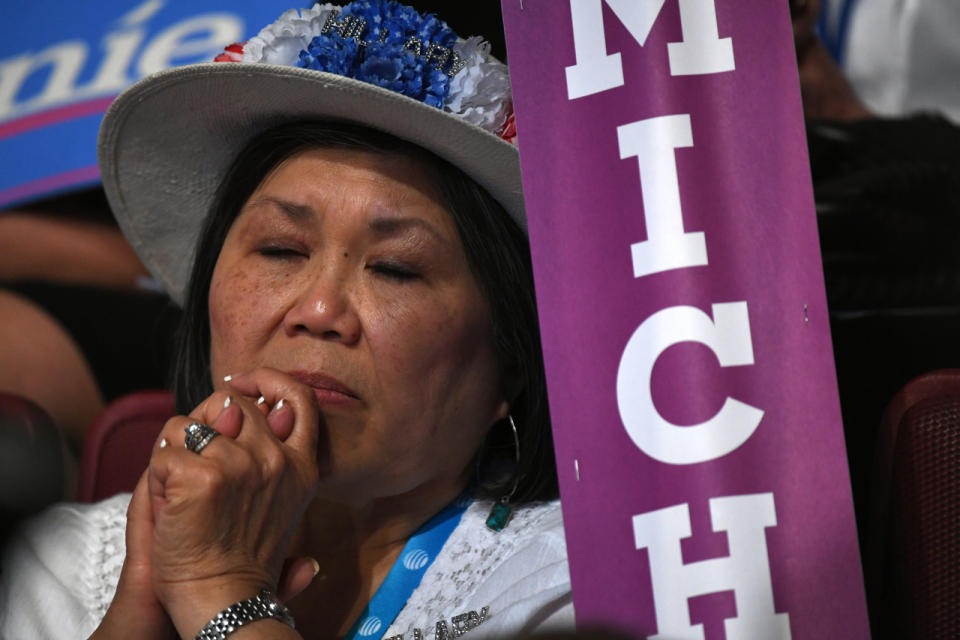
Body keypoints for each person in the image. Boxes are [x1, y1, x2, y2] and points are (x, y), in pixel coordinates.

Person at [0, 2, 571, 639]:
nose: (320, 311)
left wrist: (218, 590)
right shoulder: (53, 569)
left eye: (396, 269)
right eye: (280, 251)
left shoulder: (566, 590)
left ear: (511, 362)